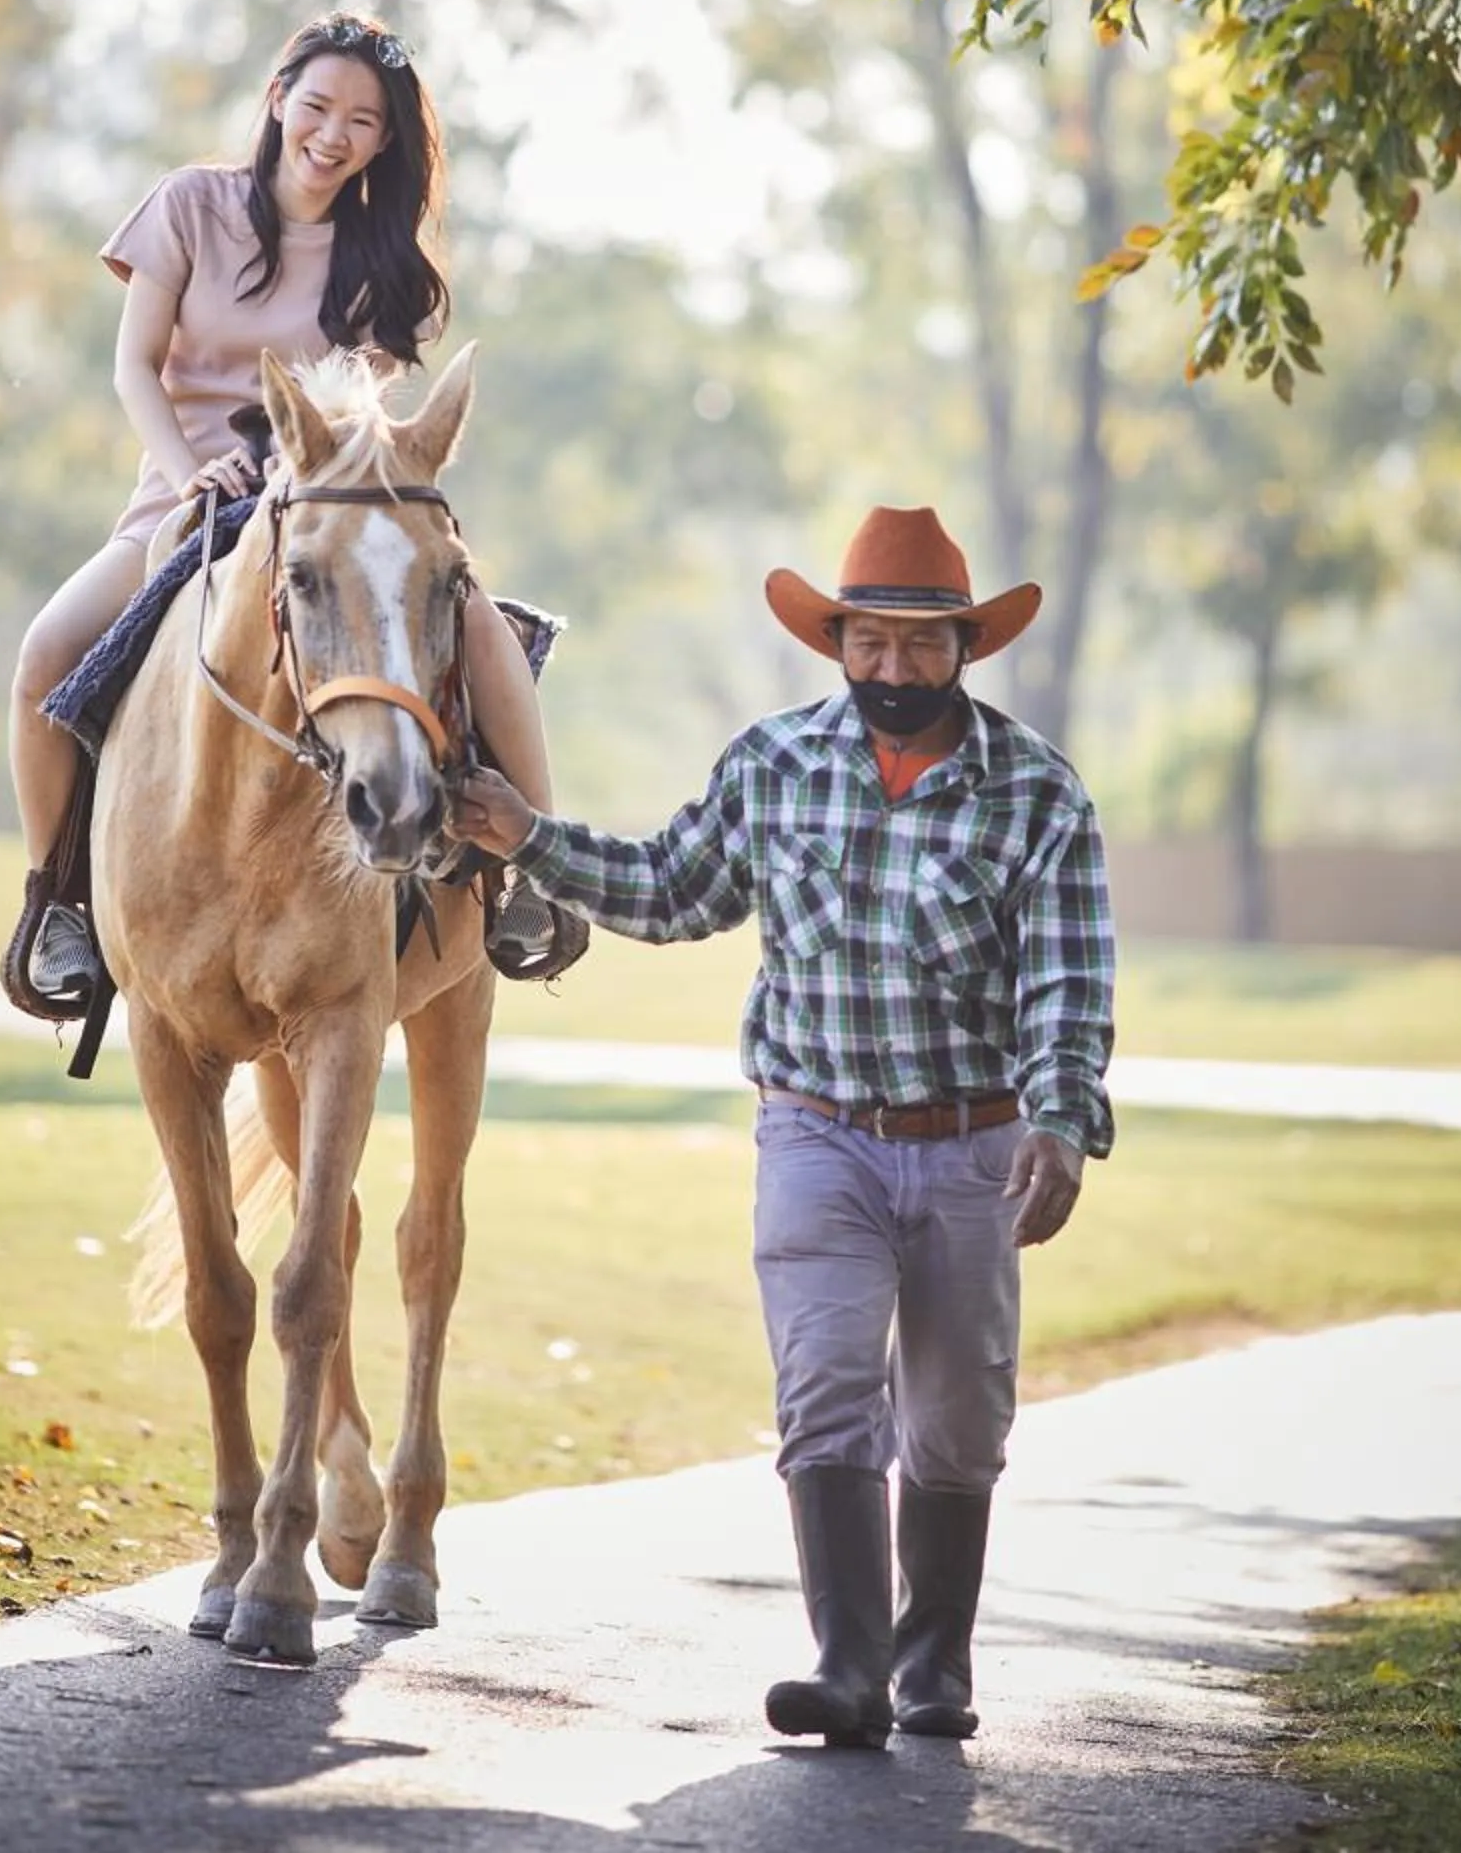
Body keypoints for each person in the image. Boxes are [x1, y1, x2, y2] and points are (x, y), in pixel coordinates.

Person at [455, 504, 1115, 1751]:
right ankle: (848, 1670)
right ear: (837, 644)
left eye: (919, 646)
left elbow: (1067, 982)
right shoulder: (772, 764)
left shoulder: (1036, 792)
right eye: (870, 642)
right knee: (824, 1387)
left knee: (956, 1420)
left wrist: (1059, 1119)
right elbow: (671, 889)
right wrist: (529, 840)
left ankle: (932, 1662)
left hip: (972, 1144)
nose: (892, 668)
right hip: (816, 1136)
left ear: (964, 649)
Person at [9, 9, 552, 1002]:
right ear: (277, 100)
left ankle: (533, 876)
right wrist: (187, 471)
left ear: (383, 143)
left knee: (479, 624)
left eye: (363, 121)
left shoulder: (380, 262)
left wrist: (309, 490)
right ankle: (57, 904)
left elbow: (362, 422)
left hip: (323, 515)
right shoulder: (188, 205)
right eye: (317, 106)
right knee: (46, 656)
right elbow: (134, 366)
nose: (332, 134)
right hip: (180, 505)